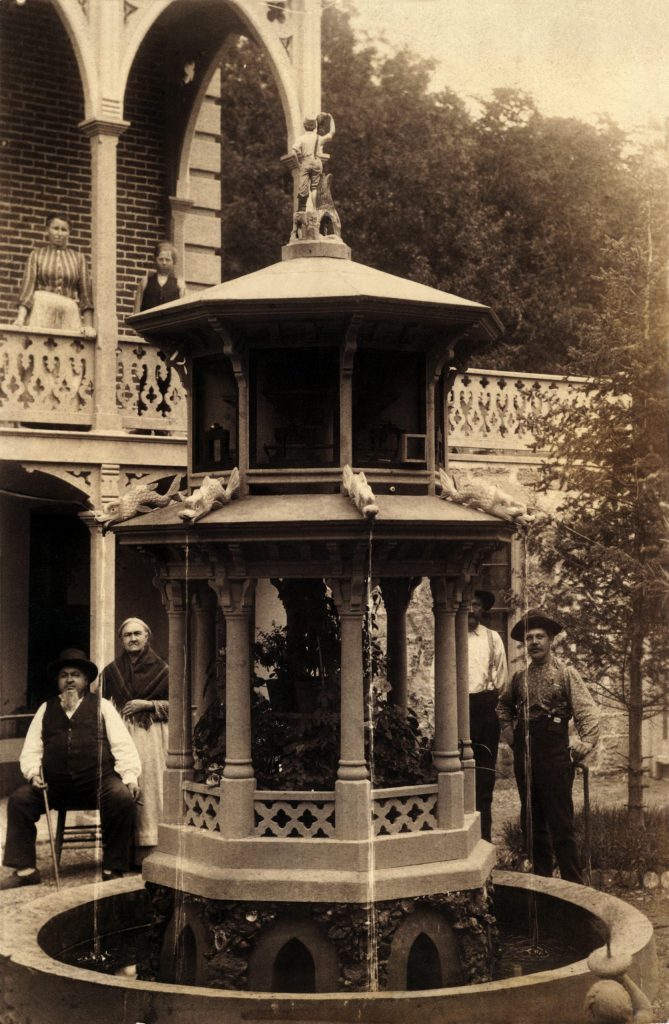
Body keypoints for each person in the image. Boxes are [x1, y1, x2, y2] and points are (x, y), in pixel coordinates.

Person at [1, 649, 140, 889]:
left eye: (75, 674)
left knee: (122, 797)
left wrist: (130, 777)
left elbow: (123, 746)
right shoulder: (46, 709)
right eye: (64, 675)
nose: (69, 680)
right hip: (54, 787)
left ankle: (113, 866)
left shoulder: (103, 707)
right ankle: (26, 870)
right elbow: (32, 749)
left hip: (98, 783)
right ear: (58, 681)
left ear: (86, 680)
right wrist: (33, 774)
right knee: (19, 800)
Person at [496, 608, 599, 883]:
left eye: (540, 636)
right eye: (529, 638)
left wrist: (586, 741)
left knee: (560, 822)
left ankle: (573, 886)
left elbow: (587, 711)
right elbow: (503, 706)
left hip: (554, 753)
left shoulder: (565, 674)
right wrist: (509, 733)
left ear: (551, 640)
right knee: (532, 820)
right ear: (524, 644)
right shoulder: (519, 678)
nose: (534, 642)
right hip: (526, 754)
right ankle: (542, 887)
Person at [99, 618, 169, 864]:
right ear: (121, 640)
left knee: (149, 787)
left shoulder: (164, 670)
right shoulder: (111, 671)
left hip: (152, 736)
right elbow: (99, 705)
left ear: (147, 636)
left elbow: (180, 706)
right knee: (125, 787)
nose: (133, 639)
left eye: (138, 634)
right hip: (120, 734)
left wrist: (148, 705)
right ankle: (125, 852)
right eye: (127, 635)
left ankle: (151, 850)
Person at [467, 589, 507, 842]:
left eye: (476, 604)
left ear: (483, 610)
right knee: (456, 771)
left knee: (484, 774)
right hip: (458, 710)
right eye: (467, 604)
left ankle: (484, 836)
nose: (471, 609)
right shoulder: (449, 636)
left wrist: (489, 701)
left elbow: (501, 680)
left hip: (485, 709)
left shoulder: (493, 639)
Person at [14, 212, 94, 334]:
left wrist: (88, 326)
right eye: (55, 228)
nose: (59, 233)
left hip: (68, 312)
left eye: (64, 230)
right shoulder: (36, 255)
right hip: (41, 308)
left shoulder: (79, 258)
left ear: (69, 233)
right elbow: (27, 290)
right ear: (47, 230)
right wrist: (20, 318)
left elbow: (86, 296)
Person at [291, 111, 335, 212]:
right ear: (315, 126)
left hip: (305, 162)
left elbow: (294, 153)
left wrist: (298, 164)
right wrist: (331, 119)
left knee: (303, 188)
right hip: (317, 162)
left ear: (304, 126)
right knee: (314, 187)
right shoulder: (318, 138)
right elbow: (331, 134)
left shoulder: (301, 139)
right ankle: (315, 209)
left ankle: (302, 211)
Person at [133, 240, 186, 313]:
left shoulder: (179, 284)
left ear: (173, 262)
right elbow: (136, 311)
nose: (164, 263)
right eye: (161, 259)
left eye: (167, 260)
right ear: (155, 260)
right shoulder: (145, 282)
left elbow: (183, 312)